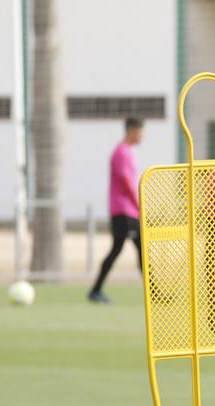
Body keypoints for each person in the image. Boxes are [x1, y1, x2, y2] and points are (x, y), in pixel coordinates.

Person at [87, 116, 144, 304]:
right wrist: (139, 205)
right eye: (141, 131)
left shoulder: (126, 151)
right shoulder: (121, 153)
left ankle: (155, 294)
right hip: (124, 212)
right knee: (119, 249)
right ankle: (95, 290)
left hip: (128, 212)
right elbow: (127, 183)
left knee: (136, 249)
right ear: (132, 131)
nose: (142, 135)